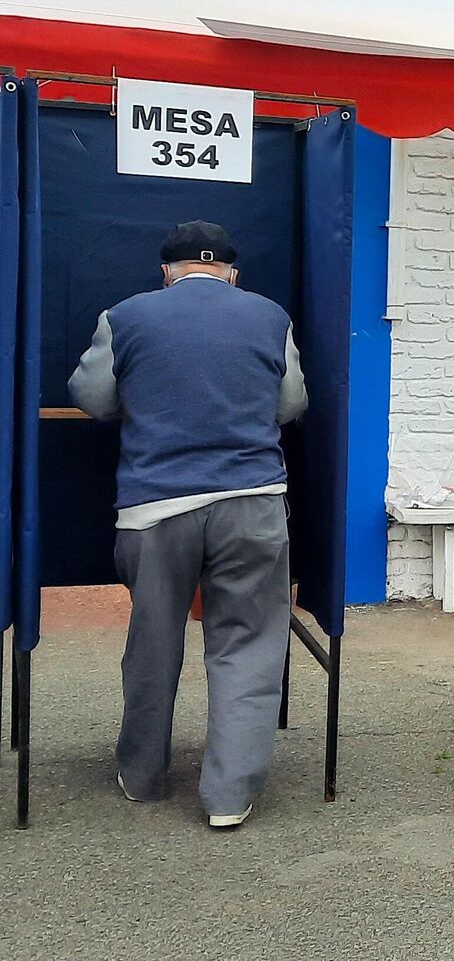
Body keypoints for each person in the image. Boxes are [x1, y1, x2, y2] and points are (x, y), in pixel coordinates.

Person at [67, 220, 308, 830]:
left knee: (153, 642)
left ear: (166, 271)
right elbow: (291, 405)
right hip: (252, 500)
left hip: (155, 507)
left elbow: (91, 400)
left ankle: (143, 774)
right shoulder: (269, 317)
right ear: (231, 271)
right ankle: (229, 796)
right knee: (249, 644)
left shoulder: (124, 316)